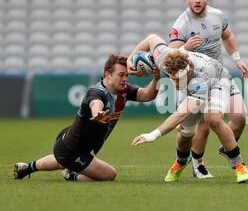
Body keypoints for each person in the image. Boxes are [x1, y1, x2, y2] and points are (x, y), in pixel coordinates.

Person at [14, 54, 160, 181]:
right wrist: (97, 113)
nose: (125, 79)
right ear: (108, 75)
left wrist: (157, 78)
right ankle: (70, 176)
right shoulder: (97, 92)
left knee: (61, 160)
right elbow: (95, 103)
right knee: (110, 174)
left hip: (71, 141)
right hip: (72, 149)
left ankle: (27, 168)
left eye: (126, 75)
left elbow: (148, 95)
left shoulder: (124, 91)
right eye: (121, 75)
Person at [127, 34, 248, 183]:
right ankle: (181, 161)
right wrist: (130, 58)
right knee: (186, 132)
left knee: (213, 120)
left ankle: (239, 165)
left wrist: (153, 134)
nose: (178, 82)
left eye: (182, 78)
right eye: (175, 79)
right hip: (192, 86)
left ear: (189, 70)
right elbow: (151, 38)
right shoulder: (163, 58)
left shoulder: (199, 77)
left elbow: (181, 113)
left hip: (217, 81)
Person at [167, 0, 248, 179]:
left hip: (219, 76)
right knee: (201, 125)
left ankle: (226, 147)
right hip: (195, 80)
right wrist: (186, 47)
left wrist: (237, 59)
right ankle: (197, 164)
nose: (197, 0)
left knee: (239, 117)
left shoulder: (218, 16)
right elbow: (171, 56)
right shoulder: (181, 24)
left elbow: (228, 36)